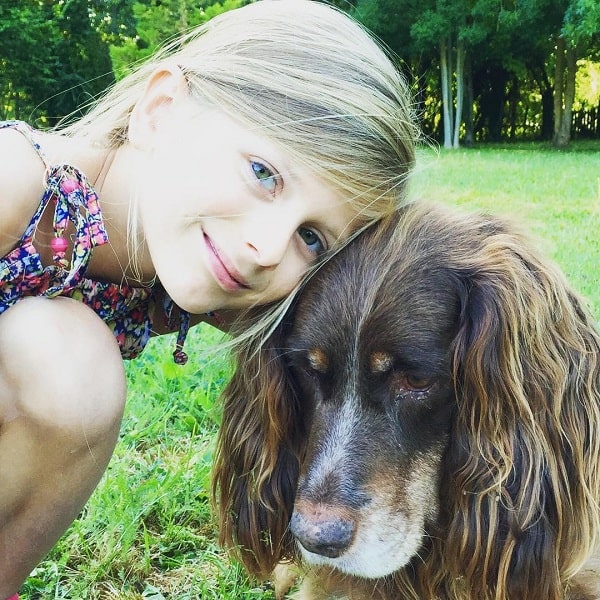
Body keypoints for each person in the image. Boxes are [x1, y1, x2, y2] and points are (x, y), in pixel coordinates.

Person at [0, 0, 418, 596]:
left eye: (313, 238)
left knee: (71, 363)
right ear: (162, 109)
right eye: (263, 173)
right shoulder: (14, 184)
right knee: (69, 362)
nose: (269, 248)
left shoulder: (216, 266)